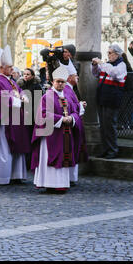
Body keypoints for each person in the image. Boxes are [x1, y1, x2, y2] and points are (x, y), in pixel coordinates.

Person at [31, 65, 82, 194]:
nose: (60, 84)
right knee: (50, 157)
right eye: (58, 81)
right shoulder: (47, 96)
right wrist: (61, 119)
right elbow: (43, 114)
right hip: (51, 135)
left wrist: (72, 118)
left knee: (63, 156)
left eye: (62, 82)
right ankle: (49, 184)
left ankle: (61, 184)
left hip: (64, 134)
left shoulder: (67, 97)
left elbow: (75, 111)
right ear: (52, 82)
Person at [0, 45, 31, 185]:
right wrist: (18, 100)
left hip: (15, 119)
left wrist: (24, 96)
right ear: (2, 68)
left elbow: (19, 90)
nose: (12, 69)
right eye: (10, 67)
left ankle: (16, 175)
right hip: (4, 120)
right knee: (4, 149)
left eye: (12, 67)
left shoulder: (10, 81)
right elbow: (0, 98)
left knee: (16, 147)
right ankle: (2, 178)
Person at [91, 44, 127, 159]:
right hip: (102, 98)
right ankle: (105, 149)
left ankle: (113, 150)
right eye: (108, 53)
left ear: (117, 54)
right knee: (103, 126)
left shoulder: (121, 65)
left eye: (110, 53)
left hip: (112, 99)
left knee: (110, 126)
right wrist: (95, 66)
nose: (108, 55)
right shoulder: (108, 64)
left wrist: (102, 63)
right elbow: (95, 74)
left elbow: (114, 74)